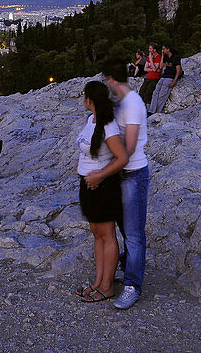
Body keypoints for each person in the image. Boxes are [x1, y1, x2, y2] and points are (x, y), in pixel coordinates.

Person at [72, 81, 128, 303]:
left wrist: (100, 175)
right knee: (97, 235)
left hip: (103, 187)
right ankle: (98, 281)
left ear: (90, 100)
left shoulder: (109, 126)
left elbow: (121, 158)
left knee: (107, 235)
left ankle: (107, 287)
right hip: (88, 186)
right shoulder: (90, 120)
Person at [102, 59, 149, 310]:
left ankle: (133, 285)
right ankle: (128, 266)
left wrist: (104, 171)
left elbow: (128, 148)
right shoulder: (121, 102)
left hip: (132, 174)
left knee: (133, 233)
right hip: (121, 175)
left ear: (111, 79)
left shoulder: (132, 103)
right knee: (124, 228)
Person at [148, 44, 182, 115]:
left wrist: (174, 82)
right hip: (164, 76)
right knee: (155, 93)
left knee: (162, 95)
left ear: (168, 49)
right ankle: (151, 111)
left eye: (163, 49)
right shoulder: (166, 57)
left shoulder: (176, 57)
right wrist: (163, 56)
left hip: (170, 77)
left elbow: (178, 70)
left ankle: (157, 112)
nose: (162, 51)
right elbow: (161, 66)